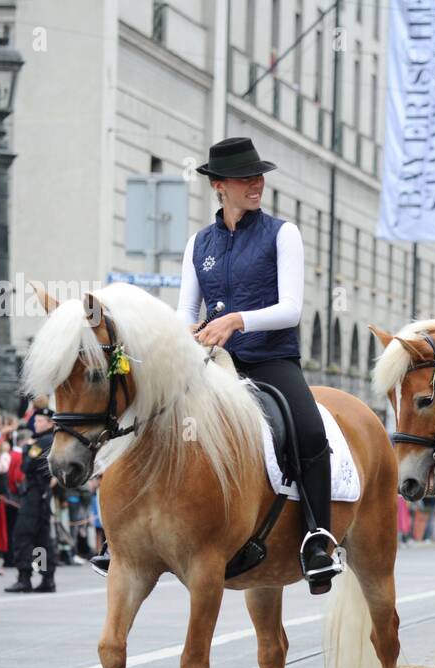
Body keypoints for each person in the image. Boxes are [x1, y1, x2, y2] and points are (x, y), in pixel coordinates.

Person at [130, 135, 340, 593]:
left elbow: (291, 308)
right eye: (246, 178)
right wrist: (180, 337)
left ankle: (318, 539)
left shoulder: (283, 234)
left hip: (269, 360)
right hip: (210, 364)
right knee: (148, 415)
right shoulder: (198, 243)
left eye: (259, 176)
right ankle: (128, 532)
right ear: (219, 186)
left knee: (309, 431)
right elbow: (187, 311)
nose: (256, 184)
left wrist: (236, 321)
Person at [4, 412, 56, 593]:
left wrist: (26, 449)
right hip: (42, 494)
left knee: (23, 535)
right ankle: (46, 578)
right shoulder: (51, 439)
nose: (36, 423)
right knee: (41, 538)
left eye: (40, 420)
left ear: (50, 423)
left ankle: (24, 577)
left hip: (34, 494)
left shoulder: (41, 442)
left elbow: (27, 465)